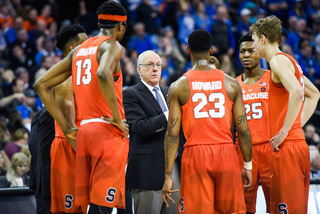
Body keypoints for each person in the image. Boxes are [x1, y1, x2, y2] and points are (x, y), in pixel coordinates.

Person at [34, 1, 129, 213]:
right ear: (121, 26)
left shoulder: (78, 51)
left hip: (83, 132)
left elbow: (40, 84)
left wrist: (68, 129)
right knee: (106, 204)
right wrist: (117, 118)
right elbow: (103, 73)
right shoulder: (112, 45)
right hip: (106, 131)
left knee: (86, 205)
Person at [161, 29, 252, 213]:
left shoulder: (178, 86)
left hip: (196, 154)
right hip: (226, 152)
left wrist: (168, 175)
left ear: (188, 50)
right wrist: (248, 165)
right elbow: (243, 130)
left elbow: (172, 134)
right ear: (212, 50)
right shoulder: (232, 84)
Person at [250, 15, 320, 214]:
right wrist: (296, 125)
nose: (253, 45)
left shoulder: (277, 62)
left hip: (287, 148)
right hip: (298, 145)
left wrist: (284, 132)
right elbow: (314, 94)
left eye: (254, 40)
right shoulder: (291, 61)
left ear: (263, 39)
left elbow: (298, 93)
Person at [123, 50, 180, 214]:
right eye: (150, 65)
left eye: (158, 65)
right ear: (139, 69)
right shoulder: (130, 94)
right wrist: (169, 115)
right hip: (147, 171)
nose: (155, 69)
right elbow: (140, 127)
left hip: (173, 169)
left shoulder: (169, 92)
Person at [50, 24, 88, 214]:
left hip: (81, 144)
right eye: (85, 43)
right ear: (73, 49)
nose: (91, 47)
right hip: (70, 146)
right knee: (71, 210)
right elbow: (70, 128)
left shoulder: (81, 75)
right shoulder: (65, 78)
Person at [236, 33, 272, 214]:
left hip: (270, 149)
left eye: (251, 50)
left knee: (275, 205)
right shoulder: (233, 84)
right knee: (244, 207)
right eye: (242, 51)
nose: (246, 55)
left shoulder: (274, 79)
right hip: (243, 151)